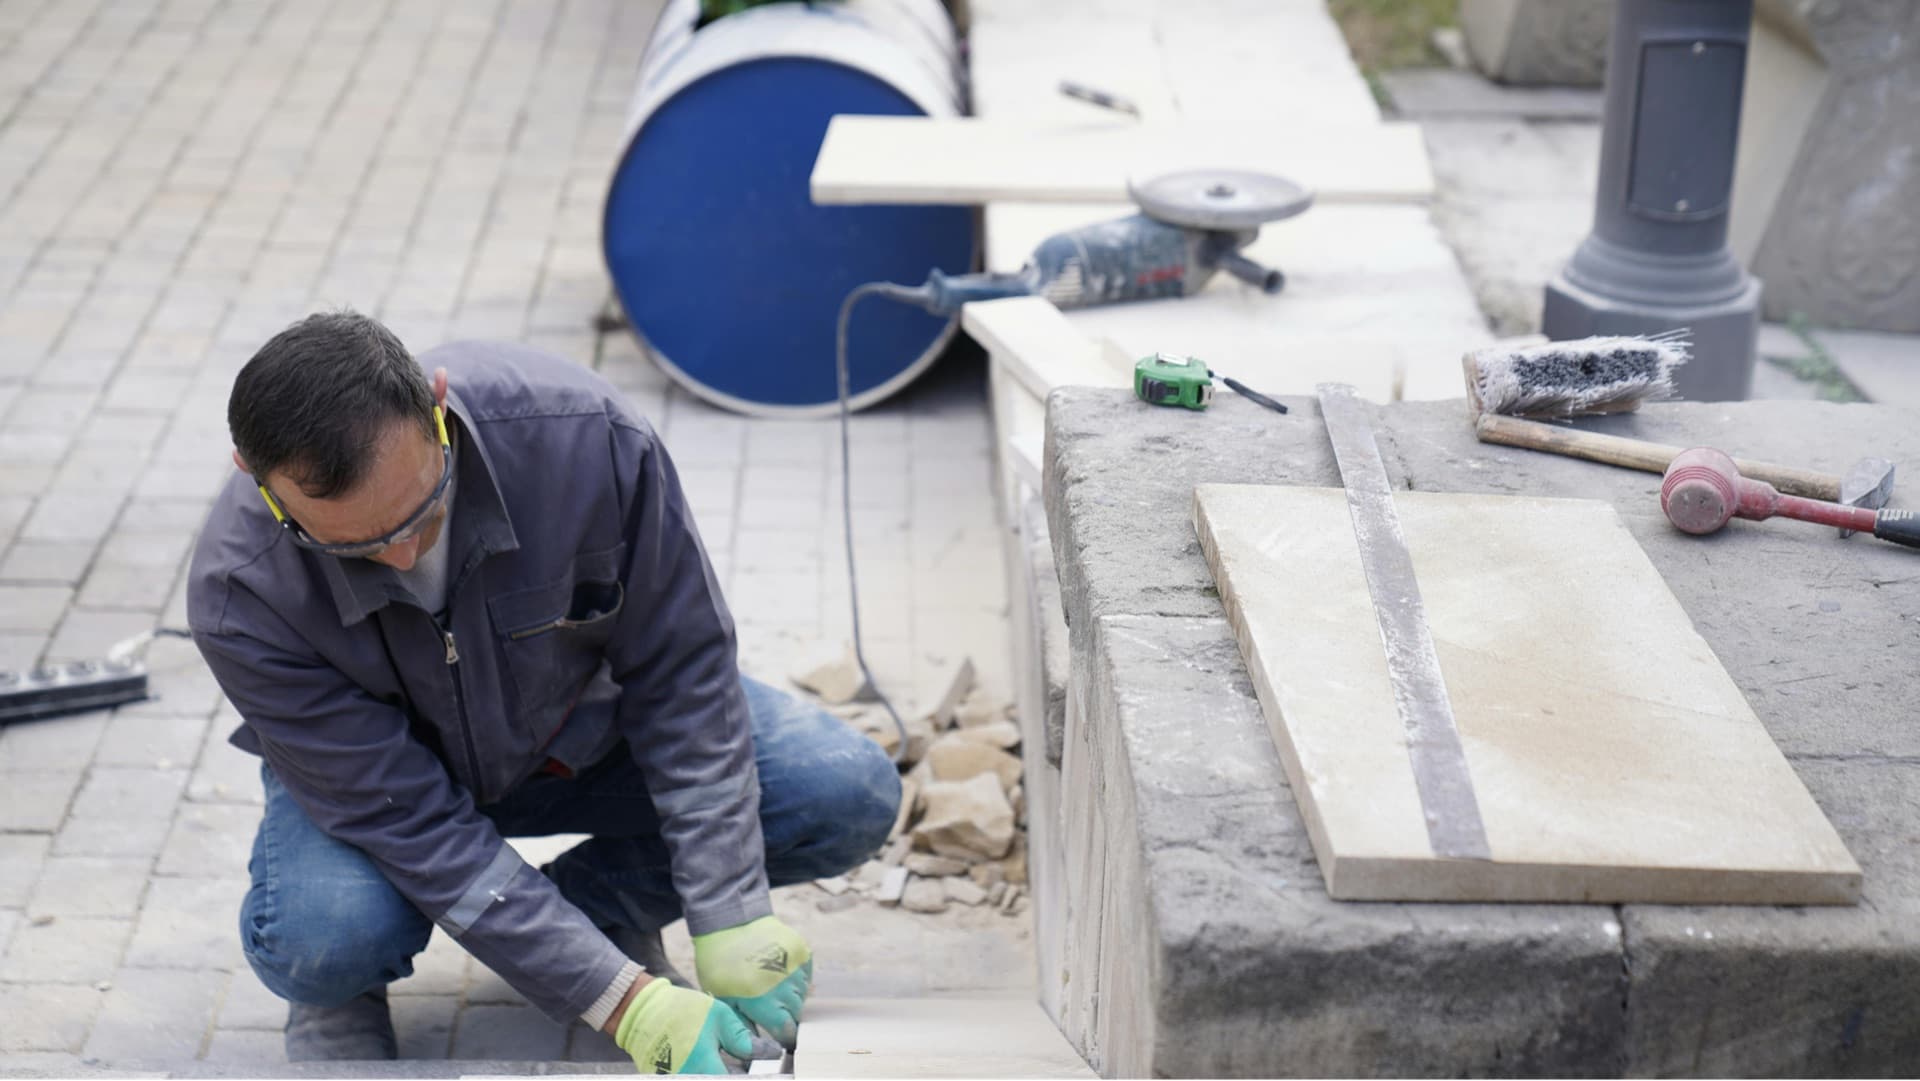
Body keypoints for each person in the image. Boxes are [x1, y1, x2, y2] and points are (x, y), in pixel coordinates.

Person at [186, 311, 901, 1072]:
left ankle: (594, 913)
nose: (398, 556)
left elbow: (683, 669)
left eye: (422, 513)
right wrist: (622, 1001)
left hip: (578, 735)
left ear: (436, 401)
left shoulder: (585, 440)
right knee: (323, 936)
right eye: (353, 545)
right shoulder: (241, 593)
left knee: (842, 789)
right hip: (381, 789)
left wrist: (729, 910)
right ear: (251, 474)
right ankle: (343, 994)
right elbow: (416, 827)